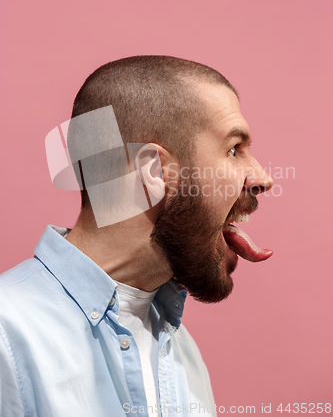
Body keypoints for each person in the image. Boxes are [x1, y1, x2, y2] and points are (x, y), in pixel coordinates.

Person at [0, 56, 273, 417]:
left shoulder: (181, 351)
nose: (262, 178)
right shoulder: (8, 336)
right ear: (154, 169)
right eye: (234, 149)